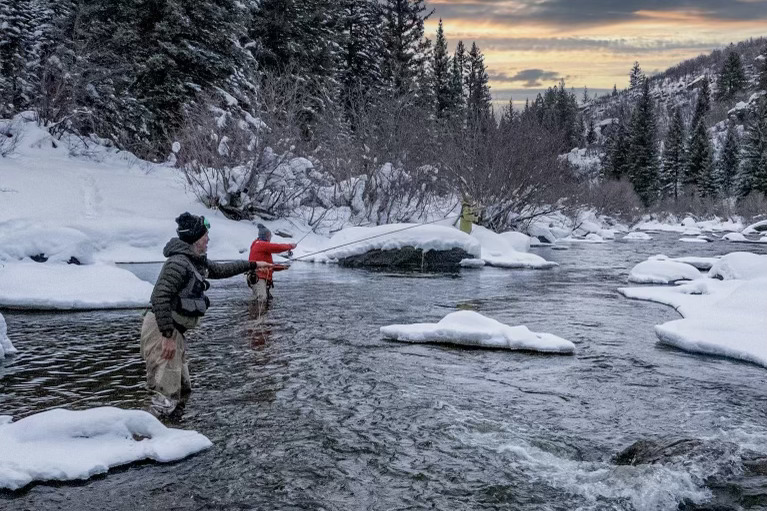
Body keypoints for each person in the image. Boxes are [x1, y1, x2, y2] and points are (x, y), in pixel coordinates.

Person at [141, 212, 272, 418]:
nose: (208, 239)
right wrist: (167, 336)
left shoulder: (195, 261)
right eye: (205, 236)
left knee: (183, 390)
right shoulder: (178, 263)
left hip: (175, 331)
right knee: (165, 398)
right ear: (195, 238)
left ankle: (176, 429)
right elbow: (159, 297)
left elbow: (221, 270)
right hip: (162, 330)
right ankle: (149, 440)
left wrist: (254, 265)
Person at [247, 224, 296, 302]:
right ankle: (257, 313)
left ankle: (254, 312)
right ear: (266, 236)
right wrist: (290, 246)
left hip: (256, 277)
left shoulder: (257, 244)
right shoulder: (261, 244)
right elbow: (277, 247)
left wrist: (282, 267)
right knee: (262, 299)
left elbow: (268, 266)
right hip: (258, 278)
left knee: (265, 299)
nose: (270, 238)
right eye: (270, 236)